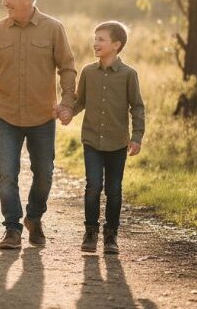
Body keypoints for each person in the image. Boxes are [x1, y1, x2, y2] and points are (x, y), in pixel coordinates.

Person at [0, 0, 77, 249]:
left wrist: (67, 102)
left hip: (42, 115)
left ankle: (34, 217)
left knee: (45, 173)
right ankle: (12, 228)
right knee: (7, 173)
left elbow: (67, 67)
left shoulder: (54, 29)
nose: (3, 2)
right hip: (7, 115)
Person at [58, 21, 145, 255]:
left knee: (114, 189)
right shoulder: (88, 72)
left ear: (116, 45)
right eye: (94, 39)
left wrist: (136, 137)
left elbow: (137, 107)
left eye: (101, 39)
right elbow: (81, 101)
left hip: (118, 142)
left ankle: (111, 236)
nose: (95, 43)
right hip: (92, 141)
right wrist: (68, 112)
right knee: (93, 186)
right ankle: (90, 232)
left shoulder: (129, 75)